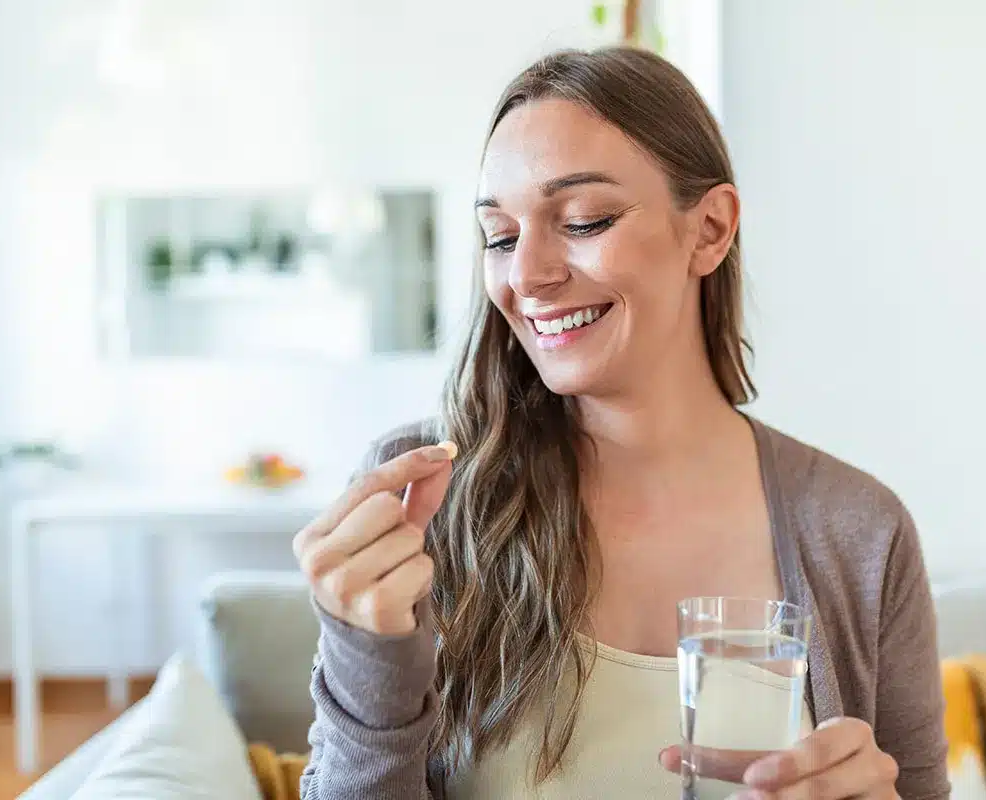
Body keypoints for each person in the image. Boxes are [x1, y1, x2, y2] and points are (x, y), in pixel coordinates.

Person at [293, 46, 950, 800]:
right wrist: (368, 660)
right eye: (500, 236)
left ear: (709, 230)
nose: (527, 274)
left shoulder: (860, 532)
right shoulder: (427, 504)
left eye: (583, 220)